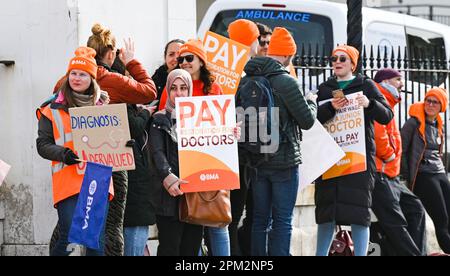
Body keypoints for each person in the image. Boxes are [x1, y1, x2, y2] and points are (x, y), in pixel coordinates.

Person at [240, 27, 317, 256]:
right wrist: (311, 102)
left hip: (256, 159)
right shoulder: (286, 82)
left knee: (259, 219)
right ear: (286, 56)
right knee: (282, 220)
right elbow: (307, 121)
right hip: (283, 162)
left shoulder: (248, 79)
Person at [86, 23, 157, 256]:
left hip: (85, 161)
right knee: (114, 224)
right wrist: (132, 62)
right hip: (115, 161)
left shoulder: (72, 79)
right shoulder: (112, 80)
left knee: (91, 224)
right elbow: (149, 91)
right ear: (110, 54)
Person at [315, 45, 393, 256]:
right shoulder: (325, 88)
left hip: (358, 161)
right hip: (331, 160)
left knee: (359, 213)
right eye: (334, 58)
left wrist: (369, 103)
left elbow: (387, 115)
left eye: (342, 58)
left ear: (352, 64)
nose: (337, 62)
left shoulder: (366, 85)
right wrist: (331, 107)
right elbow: (312, 120)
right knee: (326, 213)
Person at [36, 47, 110, 256]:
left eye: (82, 74)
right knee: (68, 237)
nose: (76, 78)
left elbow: (116, 139)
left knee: (95, 242)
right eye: (73, 74)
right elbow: (43, 145)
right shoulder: (51, 109)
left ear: (92, 78)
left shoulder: (104, 107)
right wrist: (64, 154)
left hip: (97, 177)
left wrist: (125, 144)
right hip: (67, 180)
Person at [371, 68, 426, 256]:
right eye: (397, 79)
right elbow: (379, 133)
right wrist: (389, 155)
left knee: (415, 209)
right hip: (380, 173)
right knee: (395, 222)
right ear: (385, 82)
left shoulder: (389, 101)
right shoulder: (380, 99)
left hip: (391, 175)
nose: (402, 84)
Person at [150, 69, 203, 255]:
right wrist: (168, 176)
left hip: (195, 196)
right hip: (168, 196)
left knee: (191, 249)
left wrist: (229, 135)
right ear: (167, 90)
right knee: (169, 248)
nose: (179, 93)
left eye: (183, 88)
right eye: (173, 88)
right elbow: (156, 152)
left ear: (190, 91)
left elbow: (214, 146)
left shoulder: (202, 119)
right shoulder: (158, 118)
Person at [226, 18, 260, 256]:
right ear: (249, 42)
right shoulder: (246, 74)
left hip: (228, 151)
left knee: (229, 216)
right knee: (234, 215)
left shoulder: (224, 72)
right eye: (256, 39)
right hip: (240, 154)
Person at [401, 87, 450, 254]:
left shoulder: (438, 124)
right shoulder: (413, 123)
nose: (430, 104)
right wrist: (407, 175)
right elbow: (401, 149)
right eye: (428, 100)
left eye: (435, 102)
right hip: (423, 175)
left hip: (439, 172)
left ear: (441, 106)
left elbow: (438, 151)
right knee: (441, 218)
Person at [123, 103, 157, 256]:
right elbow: (135, 126)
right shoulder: (123, 102)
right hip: (133, 183)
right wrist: (145, 113)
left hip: (138, 183)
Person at [158, 39, 222, 110]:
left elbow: (223, 116)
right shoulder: (172, 85)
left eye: (189, 58)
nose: (184, 62)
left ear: (201, 62)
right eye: (181, 59)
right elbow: (162, 116)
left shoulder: (215, 88)